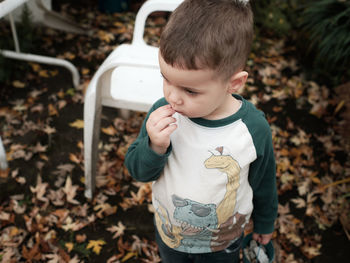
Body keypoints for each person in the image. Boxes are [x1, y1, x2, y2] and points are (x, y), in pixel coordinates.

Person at [125, 0, 278, 262]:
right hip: (169, 233)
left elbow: (264, 182)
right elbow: (138, 171)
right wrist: (154, 147)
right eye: (166, 78)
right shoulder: (162, 114)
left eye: (190, 90)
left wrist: (264, 224)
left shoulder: (252, 129)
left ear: (235, 83)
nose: (173, 97)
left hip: (223, 242)